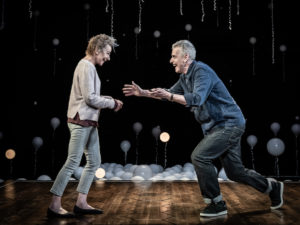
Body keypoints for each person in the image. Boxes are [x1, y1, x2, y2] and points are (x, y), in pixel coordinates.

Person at [122, 40, 284, 217]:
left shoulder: (201, 71)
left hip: (228, 124)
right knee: (235, 172)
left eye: (174, 56)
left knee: (199, 157)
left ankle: (216, 203)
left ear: (186, 57)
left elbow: (196, 98)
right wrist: (143, 93)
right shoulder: (185, 77)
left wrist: (169, 95)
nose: (171, 60)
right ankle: (272, 187)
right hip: (217, 127)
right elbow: (168, 94)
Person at [47, 34, 123, 218]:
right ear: (97, 50)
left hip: (89, 122)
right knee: (72, 161)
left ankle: (81, 202)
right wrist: (111, 103)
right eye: (106, 53)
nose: (108, 57)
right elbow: (89, 98)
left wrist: (110, 100)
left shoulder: (88, 67)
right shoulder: (86, 66)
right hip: (80, 122)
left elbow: (89, 96)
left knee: (94, 162)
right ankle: (54, 205)